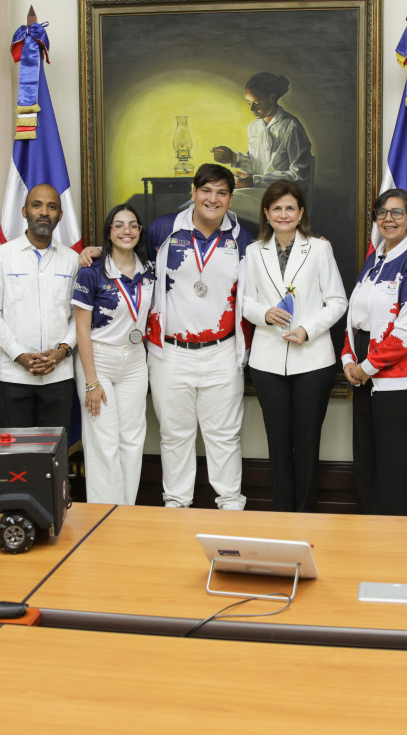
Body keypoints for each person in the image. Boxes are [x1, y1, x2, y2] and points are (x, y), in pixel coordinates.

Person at [143, 164, 254, 509]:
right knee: (175, 435)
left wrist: (313, 245)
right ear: (193, 192)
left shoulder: (243, 237)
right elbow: (128, 260)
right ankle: (176, 505)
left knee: (224, 435)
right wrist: (95, 253)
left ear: (231, 198)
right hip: (170, 352)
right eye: (206, 190)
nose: (213, 198)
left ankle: (230, 504)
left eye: (222, 192)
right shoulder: (163, 229)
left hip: (222, 351)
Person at [242, 181, 348, 512]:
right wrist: (264, 314)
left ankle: (305, 514)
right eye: (277, 208)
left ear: (301, 213)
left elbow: (338, 301)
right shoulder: (253, 252)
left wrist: (307, 329)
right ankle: (282, 515)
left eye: (290, 208)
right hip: (267, 361)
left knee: (306, 442)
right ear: (266, 213)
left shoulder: (319, 249)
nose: (283, 214)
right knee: (277, 443)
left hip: (313, 361)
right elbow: (245, 302)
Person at [342, 189, 407, 516]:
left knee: (393, 464)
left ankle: (394, 534)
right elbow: (355, 315)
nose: (388, 219)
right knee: (366, 458)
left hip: (396, 378)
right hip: (363, 371)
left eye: (397, 213)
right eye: (382, 212)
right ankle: (368, 529)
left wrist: (366, 367)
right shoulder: (374, 260)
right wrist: (348, 359)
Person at [72, 203, 155, 506]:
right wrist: (92, 382)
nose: (126, 231)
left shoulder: (149, 270)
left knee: (132, 440)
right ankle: (104, 514)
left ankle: (126, 511)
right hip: (99, 360)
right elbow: (82, 330)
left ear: (140, 231)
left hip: (134, 360)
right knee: (103, 442)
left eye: (133, 225)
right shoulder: (90, 273)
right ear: (108, 232)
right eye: (118, 225)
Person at [0, 183, 80, 438]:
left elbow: (78, 315)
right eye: (37, 205)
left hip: (58, 376)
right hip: (13, 376)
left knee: (56, 450)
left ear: (60, 215)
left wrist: (63, 350)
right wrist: (19, 355)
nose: (44, 212)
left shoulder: (71, 260)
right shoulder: (1, 256)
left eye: (52, 207)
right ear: (24, 211)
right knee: (15, 453)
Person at [211, 72, 315, 233]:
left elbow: (299, 176)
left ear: (272, 98)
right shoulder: (254, 127)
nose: (252, 109)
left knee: (220, 203)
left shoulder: (291, 127)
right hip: (258, 191)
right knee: (213, 198)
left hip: (283, 196)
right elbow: (257, 164)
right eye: (249, 103)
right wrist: (233, 158)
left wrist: (254, 181)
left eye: (257, 103)